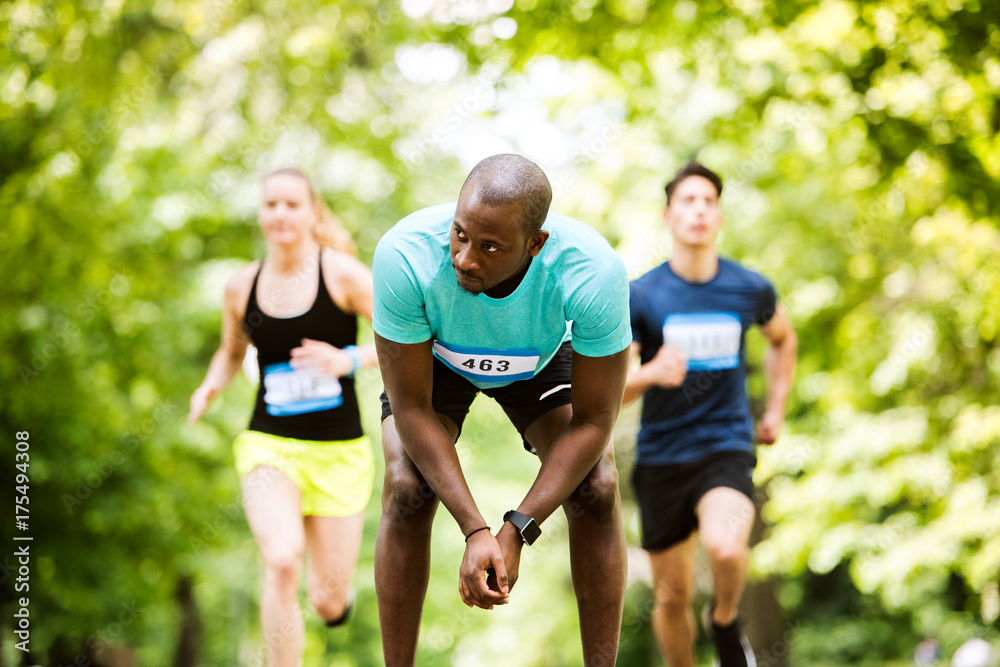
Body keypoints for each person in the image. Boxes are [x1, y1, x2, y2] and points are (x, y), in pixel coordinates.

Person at [372, 153, 632, 666]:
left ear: (535, 244)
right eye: (460, 234)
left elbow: (596, 422)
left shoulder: (591, 272)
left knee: (598, 485)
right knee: (407, 484)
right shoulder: (405, 254)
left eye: (490, 247)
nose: (465, 259)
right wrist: (475, 530)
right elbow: (411, 407)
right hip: (436, 358)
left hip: (534, 359)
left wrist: (516, 528)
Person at [187, 168, 378, 667]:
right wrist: (210, 385)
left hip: (339, 452)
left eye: (292, 204)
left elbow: (405, 336)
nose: (280, 214)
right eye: (271, 204)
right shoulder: (240, 287)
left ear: (314, 212)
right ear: (260, 214)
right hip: (268, 444)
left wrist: (348, 359)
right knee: (281, 559)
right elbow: (231, 353)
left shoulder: (342, 274)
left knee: (326, 600)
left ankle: (337, 603)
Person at [623, 163, 797, 667]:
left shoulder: (749, 288)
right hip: (662, 457)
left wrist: (777, 411)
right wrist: (651, 373)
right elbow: (617, 390)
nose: (698, 210)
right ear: (668, 215)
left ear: (718, 215)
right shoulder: (643, 294)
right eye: (687, 201)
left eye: (708, 201)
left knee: (725, 548)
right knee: (672, 596)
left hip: (726, 446)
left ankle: (724, 620)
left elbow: (783, 340)